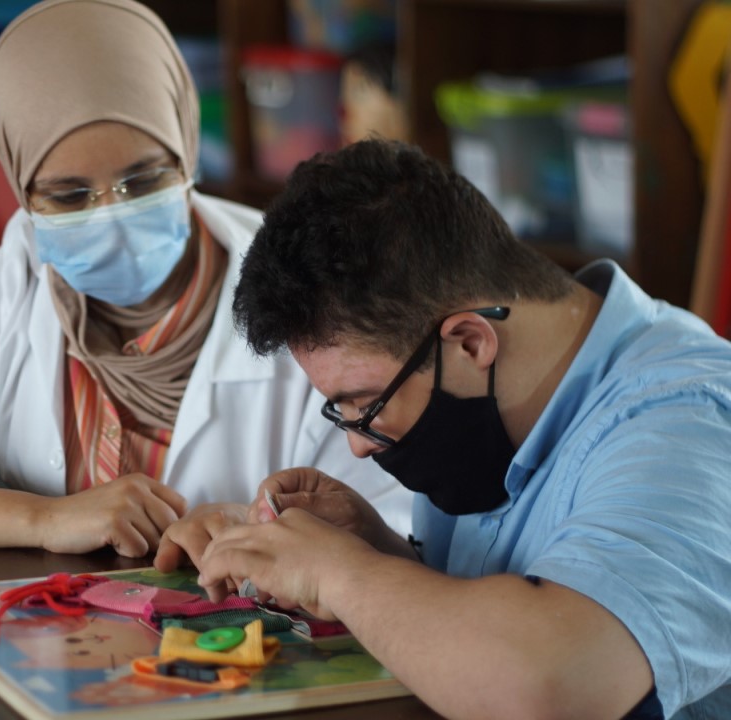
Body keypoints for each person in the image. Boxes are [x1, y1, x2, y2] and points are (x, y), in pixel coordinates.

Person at [0, 0, 410, 558]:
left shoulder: (312, 286)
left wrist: (258, 532)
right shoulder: (12, 283)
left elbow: (404, 527)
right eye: (68, 197)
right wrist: (44, 519)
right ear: (22, 190)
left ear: (186, 151)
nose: (112, 215)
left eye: (145, 180)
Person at [186, 138, 731, 719]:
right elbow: (509, 612)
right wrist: (381, 551)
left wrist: (341, 573)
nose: (357, 444)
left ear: (470, 342)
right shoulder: (491, 413)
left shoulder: (690, 421)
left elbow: (550, 686)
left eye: (365, 404)